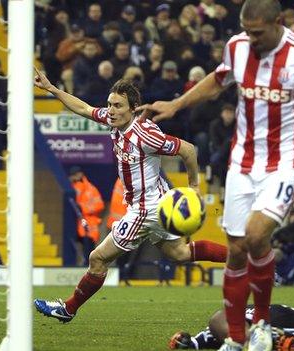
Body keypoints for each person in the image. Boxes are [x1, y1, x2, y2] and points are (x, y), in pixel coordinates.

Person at [137, 1, 294, 350]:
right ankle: (236, 339)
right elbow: (217, 80)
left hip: (290, 160)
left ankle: (261, 324)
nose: (251, 40)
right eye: (247, 31)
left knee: (257, 234)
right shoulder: (237, 46)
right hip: (243, 160)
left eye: (258, 33)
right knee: (237, 249)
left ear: (279, 22)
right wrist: (176, 104)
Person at [32, 70, 227, 323]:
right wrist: (52, 88)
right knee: (178, 253)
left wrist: (194, 188)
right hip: (155, 204)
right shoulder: (114, 121)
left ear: (133, 109)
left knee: (97, 258)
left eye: (118, 106)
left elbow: (188, 149)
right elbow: (82, 108)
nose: (111, 110)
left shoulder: (145, 134)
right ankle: (240, 258)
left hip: (146, 210)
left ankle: (67, 309)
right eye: (110, 104)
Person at [69, 167, 104, 266]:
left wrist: (82, 208)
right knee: (74, 250)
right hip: (75, 224)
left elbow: (99, 205)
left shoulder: (90, 189)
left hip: (88, 226)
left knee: (88, 252)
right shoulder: (72, 187)